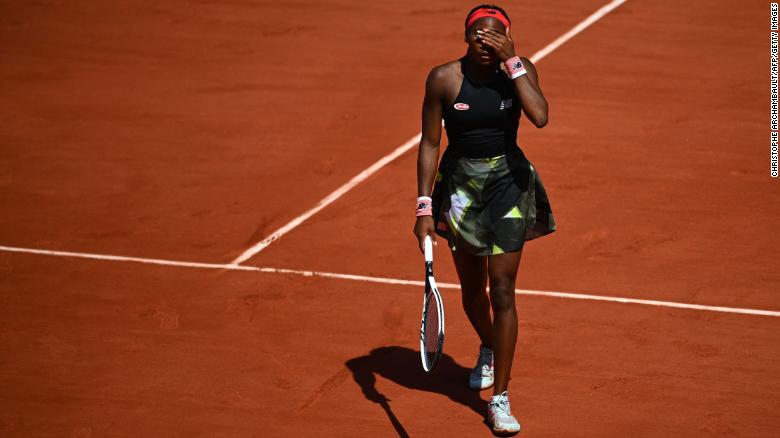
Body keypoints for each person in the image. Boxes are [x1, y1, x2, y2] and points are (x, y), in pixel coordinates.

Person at [412, 4, 556, 435]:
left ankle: (500, 398)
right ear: (466, 37)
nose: (486, 42)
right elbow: (429, 143)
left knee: (503, 291)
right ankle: (489, 346)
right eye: (479, 35)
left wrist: (513, 61)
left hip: (508, 185)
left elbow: (540, 116)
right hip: (459, 190)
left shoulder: (520, 68)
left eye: (496, 36)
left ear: (507, 38)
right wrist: (423, 207)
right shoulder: (443, 78)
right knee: (473, 292)